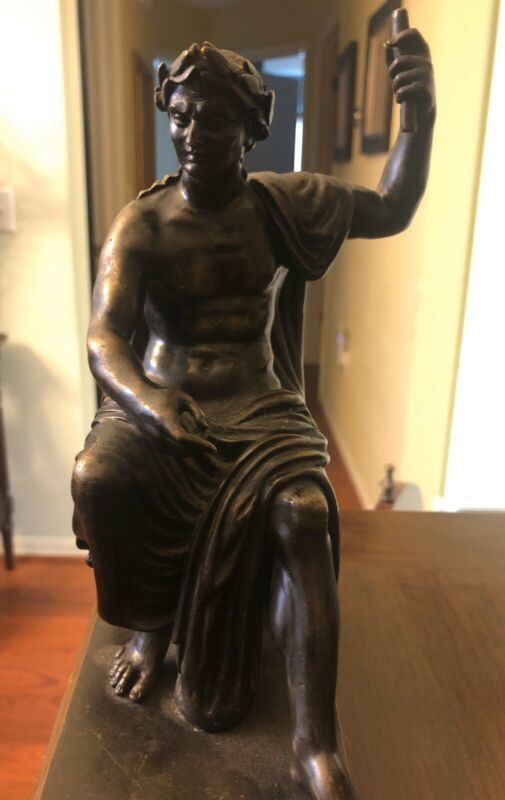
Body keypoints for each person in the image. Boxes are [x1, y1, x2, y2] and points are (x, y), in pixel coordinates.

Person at [72, 30, 435, 800]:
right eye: (181, 117)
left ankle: (315, 743)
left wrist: (418, 120)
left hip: (260, 407)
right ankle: (149, 629)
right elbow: (104, 336)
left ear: (250, 127)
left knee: (306, 513)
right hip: (162, 402)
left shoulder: (281, 206)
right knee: (98, 477)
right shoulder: (142, 224)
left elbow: (391, 207)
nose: (192, 135)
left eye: (213, 119)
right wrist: (150, 403)